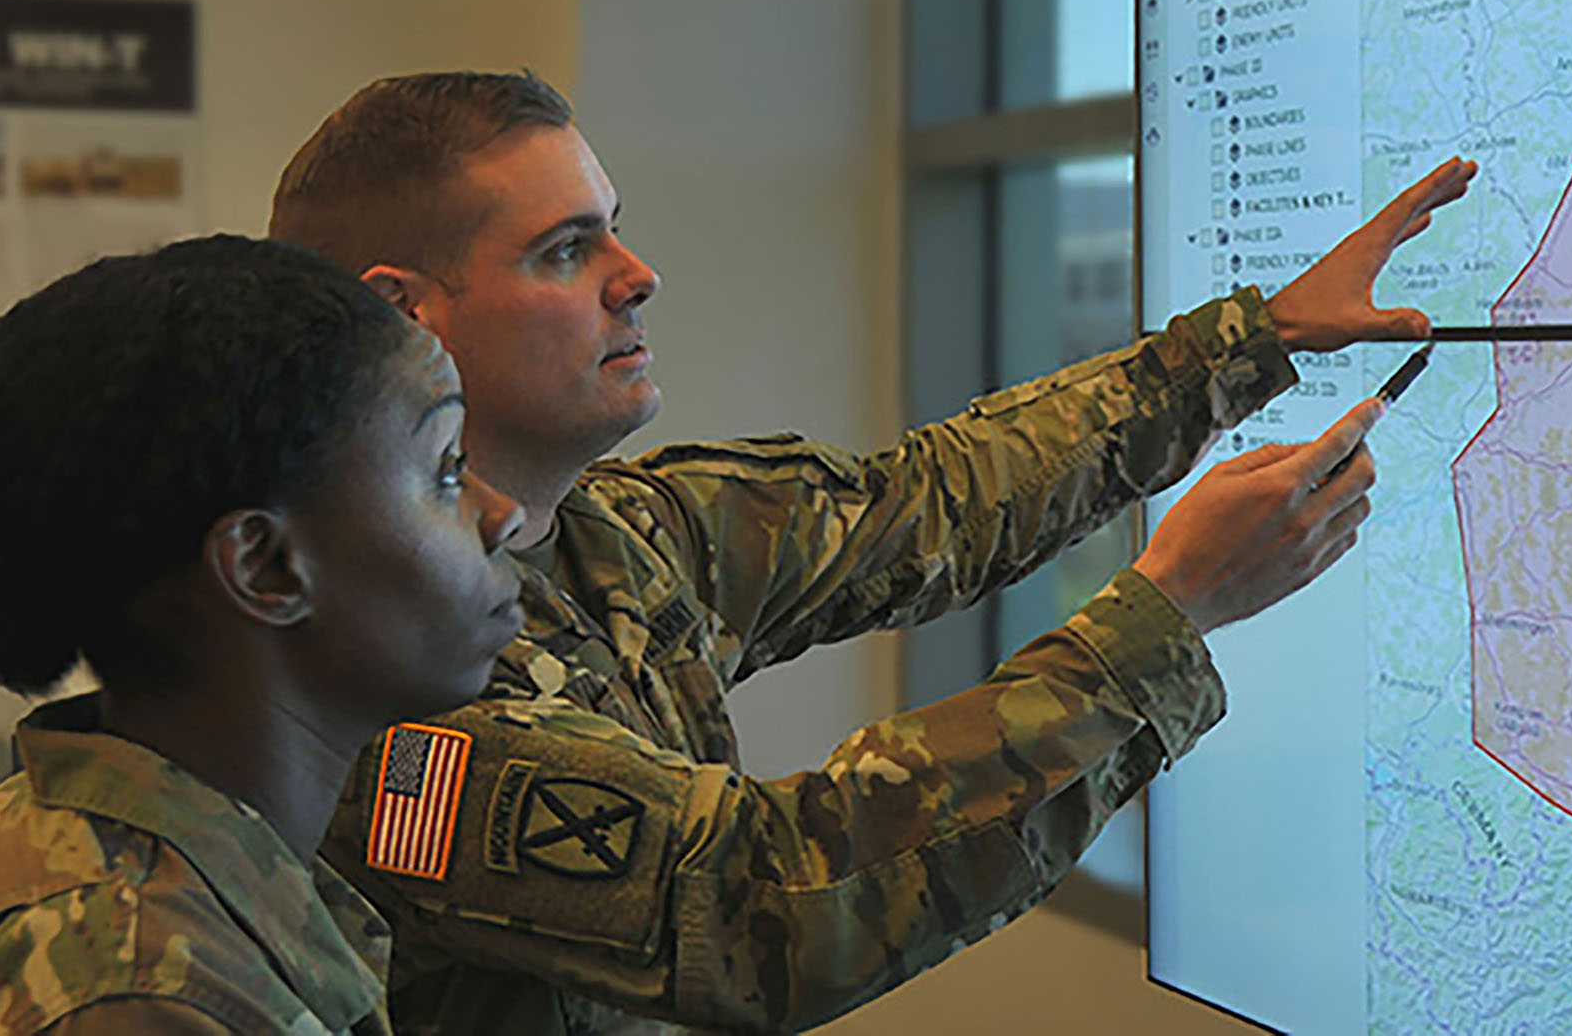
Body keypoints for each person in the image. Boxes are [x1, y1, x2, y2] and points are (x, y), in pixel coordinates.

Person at [270, 70, 1476, 1033]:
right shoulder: (373, 667)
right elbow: (762, 909)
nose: (637, 279)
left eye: (616, 235)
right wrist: (1164, 616)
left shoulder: (617, 536)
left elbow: (931, 503)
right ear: (404, 313)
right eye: (565, 251)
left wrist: (1253, 338)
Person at [0, 236, 527, 1034]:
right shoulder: (142, 991)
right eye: (445, 468)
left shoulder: (30, 841)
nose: (502, 514)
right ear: (265, 567)